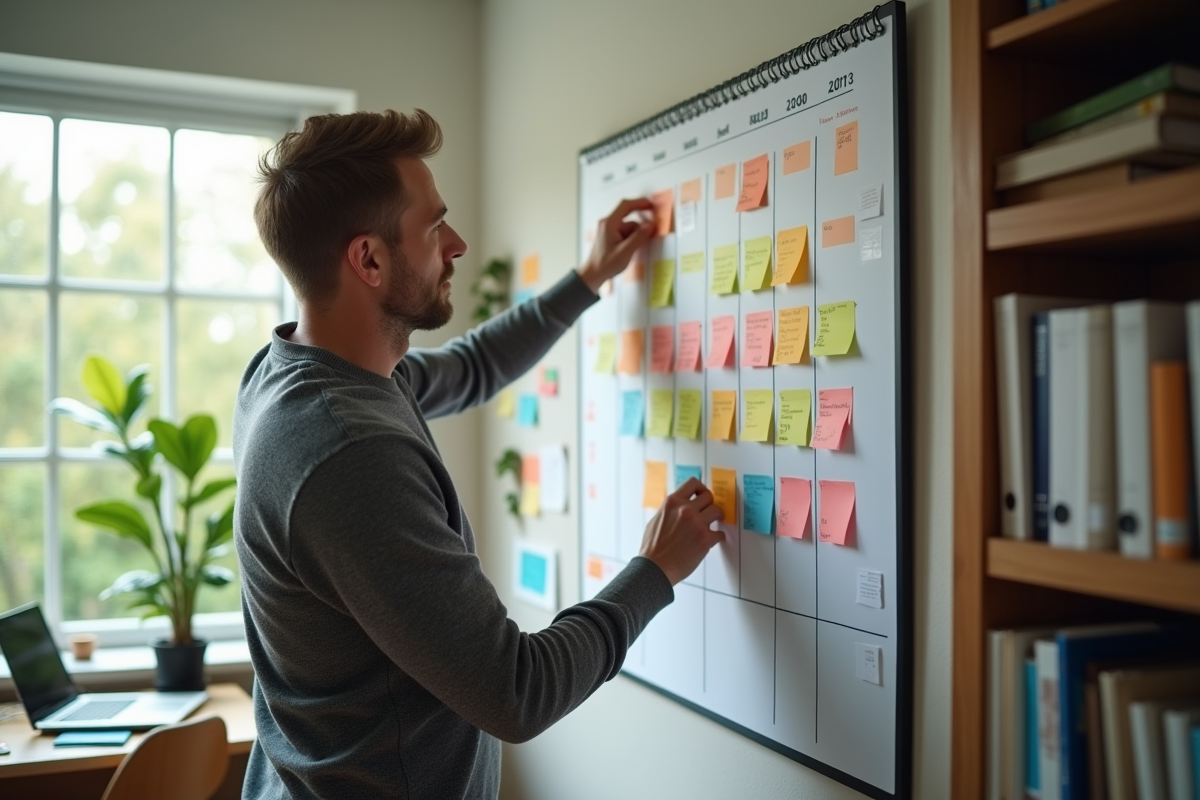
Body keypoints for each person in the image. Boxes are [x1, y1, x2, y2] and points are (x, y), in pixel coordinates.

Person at [233, 108, 723, 800]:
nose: (456, 243)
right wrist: (656, 571)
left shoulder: (297, 371)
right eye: (434, 226)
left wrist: (587, 277)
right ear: (368, 259)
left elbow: (471, 367)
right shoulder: (348, 450)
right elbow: (515, 692)